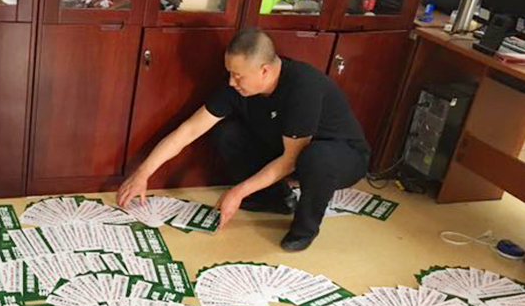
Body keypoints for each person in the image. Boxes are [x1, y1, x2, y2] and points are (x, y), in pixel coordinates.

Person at [117, 27, 370, 252]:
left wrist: (237, 192)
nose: (231, 81)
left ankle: (305, 229)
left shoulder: (303, 86)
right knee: (227, 132)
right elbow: (190, 130)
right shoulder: (236, 87)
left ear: (264, 71)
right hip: (286, 149)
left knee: (315, 158)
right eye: (230, 73)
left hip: (340, 156)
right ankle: (274, 199)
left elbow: (291, 159)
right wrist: (143, 173)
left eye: (238, 76)